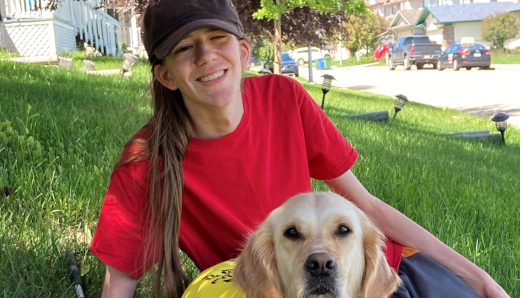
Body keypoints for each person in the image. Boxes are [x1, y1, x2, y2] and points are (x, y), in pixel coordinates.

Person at [89, 1, 511, 298]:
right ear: (165, 76)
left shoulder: (284, 97)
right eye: (185, 48)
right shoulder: (145, 161)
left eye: (217, 38)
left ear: (242, 51)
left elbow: (368, 207)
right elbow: (120, 282)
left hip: (376, 277)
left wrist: (478, 277)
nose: (205, 56)